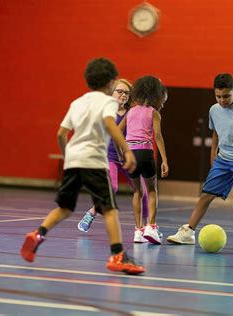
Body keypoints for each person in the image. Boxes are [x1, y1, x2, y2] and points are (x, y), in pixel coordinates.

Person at [20, 58, 145, 275]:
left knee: (65, 208)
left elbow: (61, 133)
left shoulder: (77, 102)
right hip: (94, 161)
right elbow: (109, 123)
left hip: (73, 160)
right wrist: (127, 149)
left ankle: (38, 233)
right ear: (110, 83)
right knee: (110, 209)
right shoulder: (108, 103)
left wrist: (67, 154)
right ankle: (118, 255)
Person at [167, 73, 233, 250]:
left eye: (226, 96)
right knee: (206, 195)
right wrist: (214, 154)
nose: (222, 100)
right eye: (218, 96)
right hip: (223, 160)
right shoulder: (214, 110)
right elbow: (216, 132)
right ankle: (188, 232)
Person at [77, 79, 150, 235]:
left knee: (142, 191)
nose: (123, 95)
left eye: (126, 93)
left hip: (128, 158)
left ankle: (147, 227)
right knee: (112, 187)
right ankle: (91, 213)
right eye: (120, 91)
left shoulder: (132, 113)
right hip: (109, 157)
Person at [121, 76, 169, 244]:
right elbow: (158, 136)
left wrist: (123, 151)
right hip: (145, 153)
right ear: (157, 95)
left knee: (137, 192)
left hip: (130, 154)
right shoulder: (154, 113)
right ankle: (151, 227)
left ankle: (138, 231)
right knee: (152, 190)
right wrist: (164, 160)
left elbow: (117, 131)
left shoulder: (131, 111)